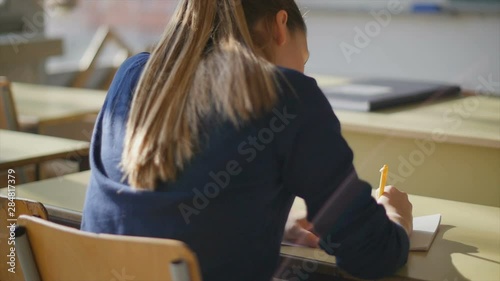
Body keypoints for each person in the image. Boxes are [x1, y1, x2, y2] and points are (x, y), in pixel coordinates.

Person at [81, 0, 413, 280]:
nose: (303, 72)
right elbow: (369, 254)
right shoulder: (287, 95)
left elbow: (148, 214)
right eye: (304, 60)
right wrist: (397, 220)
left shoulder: (132, 76)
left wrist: (260, 228)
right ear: (280, 25)